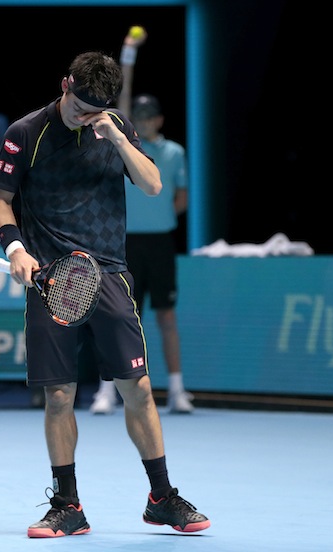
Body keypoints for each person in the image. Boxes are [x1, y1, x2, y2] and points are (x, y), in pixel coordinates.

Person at [0, 51, 210, 538]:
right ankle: (67, 505)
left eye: (95, 110)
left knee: (139, 389)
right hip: (50, 276)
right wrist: (18, 249)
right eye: (79, 107)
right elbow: (0, 200)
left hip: (109, 273)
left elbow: (152, 185)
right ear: (65, 85)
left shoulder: (113, 126)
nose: (84, 117)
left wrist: (115, 135)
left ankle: (162, 497)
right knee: (60, 394)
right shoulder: (26, 133)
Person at [90, 28, 194, 415]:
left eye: (151, 117)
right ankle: (106, 392)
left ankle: (179, 391)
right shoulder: (126, 144)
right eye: (140, 116)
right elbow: (124, 98)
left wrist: (160, 214)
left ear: (161, 119)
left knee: (166, 317)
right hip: (124, 244)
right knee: (118, 319)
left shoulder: (175, 152)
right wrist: (127, 55)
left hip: (160, 244)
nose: (145, 121)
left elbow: (181, 199)